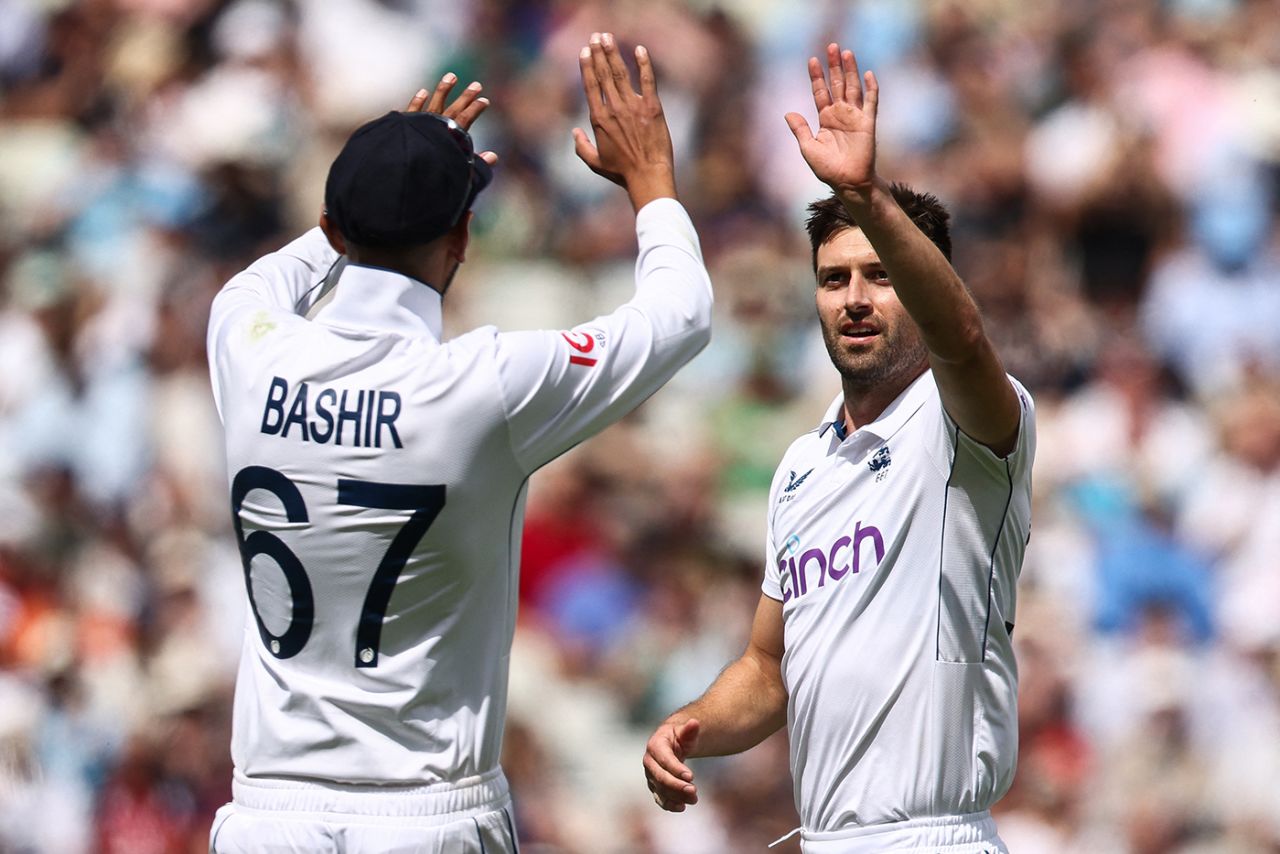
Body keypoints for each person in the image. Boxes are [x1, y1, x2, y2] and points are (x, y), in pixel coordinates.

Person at [206, 32, 711, 854]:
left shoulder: (246, 342)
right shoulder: (483, 388)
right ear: (462, 241)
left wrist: (380, 173)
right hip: (424, 814)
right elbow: (680, 316)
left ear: (334, 227)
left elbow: (264, 279)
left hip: (269, 817)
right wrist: (653, 186)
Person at [643, 43, 1035, 853]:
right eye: (832, 280)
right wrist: (690, 727)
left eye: (879, 275)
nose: (854, 299)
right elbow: (766, 667)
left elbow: (962, 341)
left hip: (938, 837)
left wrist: (864, 194)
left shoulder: (962, 426)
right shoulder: (802, 465)